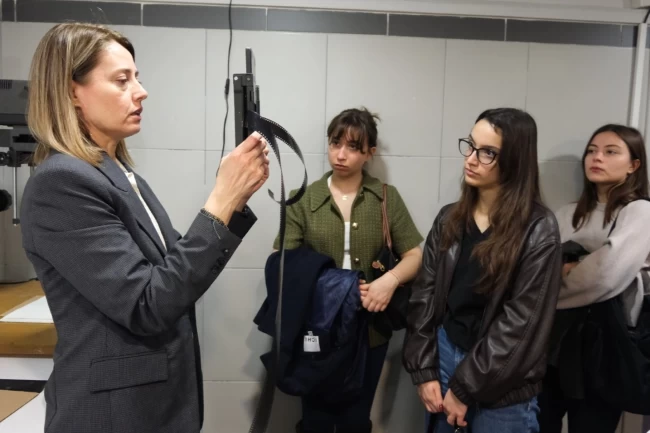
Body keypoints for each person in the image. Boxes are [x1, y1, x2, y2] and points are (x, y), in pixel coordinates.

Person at [19, 23, 269, 433]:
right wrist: (221, 202)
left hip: (153, 404)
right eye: (122, 80)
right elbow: (146, 305)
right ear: (71, 92)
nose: (141, 91)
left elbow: (171, 273)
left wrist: (233, 201)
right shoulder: (61, 183)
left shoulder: (117, 172)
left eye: (136, 77)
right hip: (114, 415)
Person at [403, 108, 562, 433]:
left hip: (503, 379)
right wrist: (424, 370)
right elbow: (424, 296)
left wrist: (465, 387)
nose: (471, 159)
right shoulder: (449, 218)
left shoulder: (538, 229)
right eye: (471, 145)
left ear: (515, 160)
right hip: (445, 354)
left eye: (488, 152)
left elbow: (521, 324)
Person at [273, 107, 424, 433]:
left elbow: (414, 255)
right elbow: (281, 260)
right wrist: (336, 287)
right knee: (315, 418)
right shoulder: (303, 198)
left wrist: (388, 282)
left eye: (353, 147)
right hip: (317, 325)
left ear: (370, 152)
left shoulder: (385, 198)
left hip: (370, 327)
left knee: (355, 418)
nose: (341, 155)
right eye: (335, 143)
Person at [538, 124, 650, 433]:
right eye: (591, 151)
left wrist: (564, 272)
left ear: (633, 165)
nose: (597, 158)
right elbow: (535, 270)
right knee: (539, 423)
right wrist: (576, 266)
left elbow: (603, 276)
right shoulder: (567, 213)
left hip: (603, 348)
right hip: (555, 343)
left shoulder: (640, 212)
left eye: (611, 152)